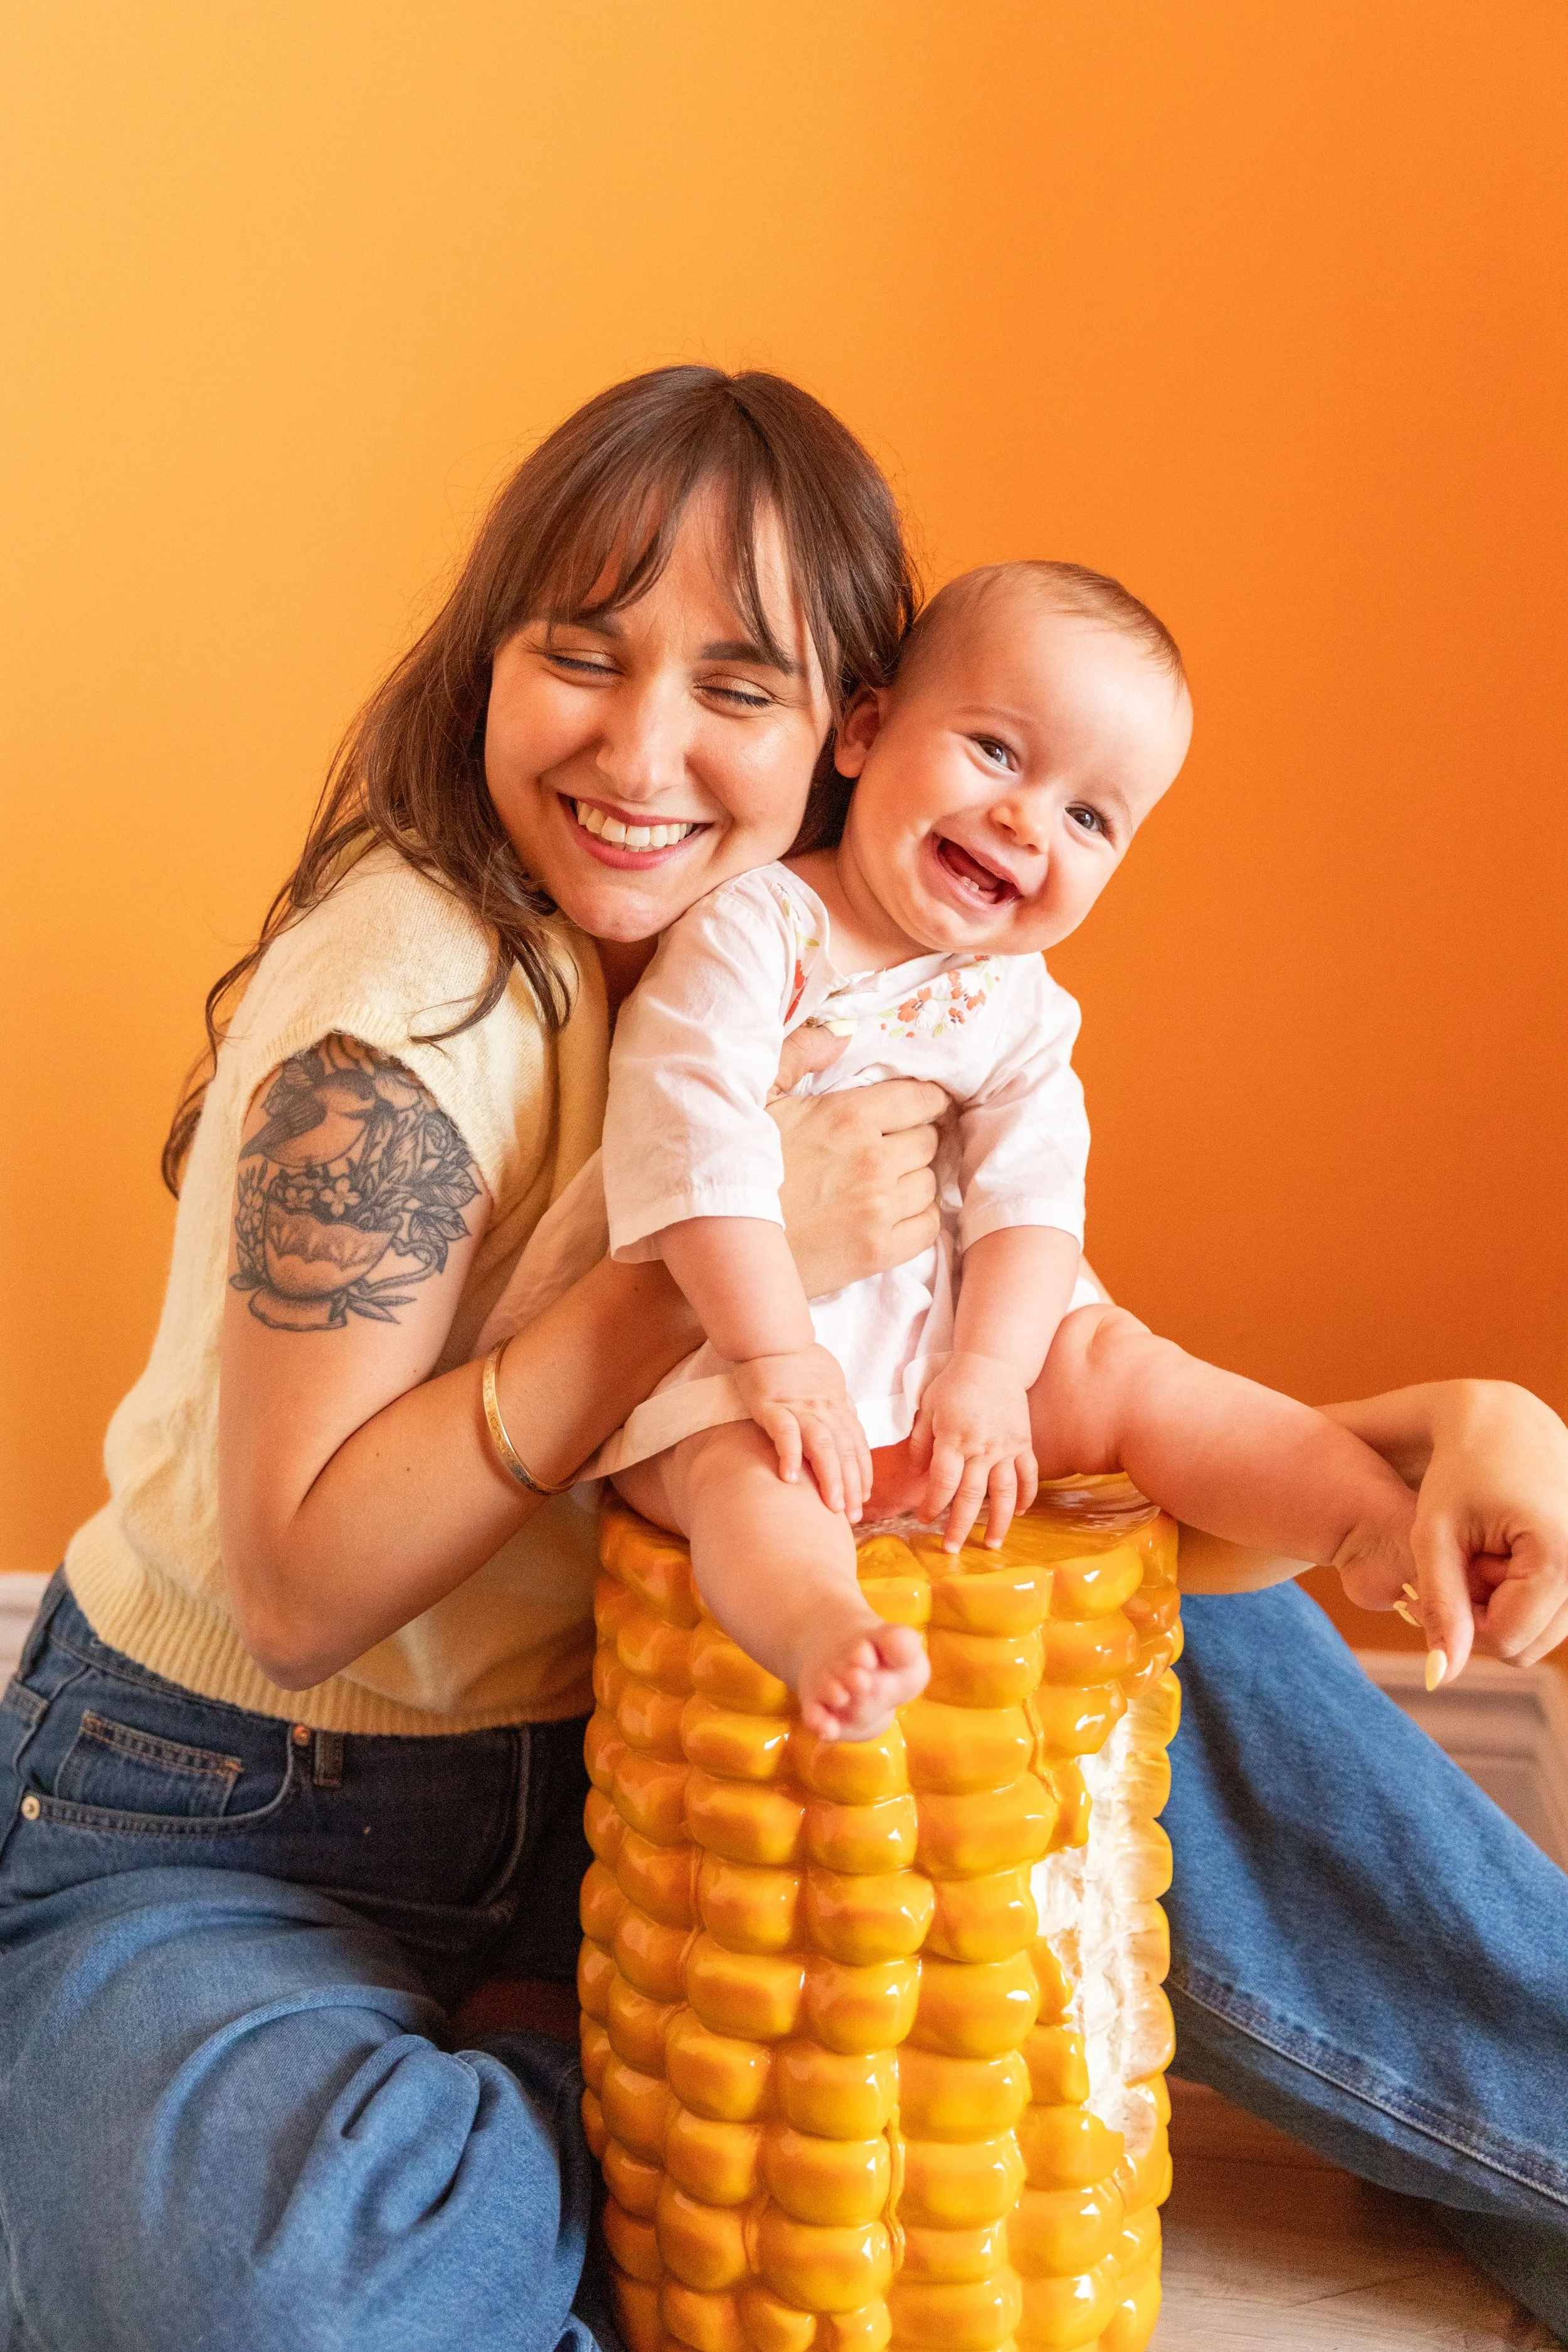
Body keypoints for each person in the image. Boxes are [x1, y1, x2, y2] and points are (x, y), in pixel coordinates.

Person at [0, 366, 1564, 2349]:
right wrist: (686, 1276)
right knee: (272, 2287)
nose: (638, 746)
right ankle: (561, 2096)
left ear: (846, 729)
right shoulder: (407, 992)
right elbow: (303, 1587)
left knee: (1060, 1586)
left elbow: (1050, 1428)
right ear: (489, 661)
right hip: (241, 1806)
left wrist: (1445, 1433)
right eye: (581, 653)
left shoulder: (839, 963)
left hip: (643, 1756)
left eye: (733, 688)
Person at [484, 559, 1421, 1744]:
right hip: (732, 1342)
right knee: (736, 1475)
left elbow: (1035, 1196)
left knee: (1125, 1365)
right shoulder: (758, 928)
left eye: (1090, 818)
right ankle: (824, 1626)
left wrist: (986, 1372)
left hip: (943, 1364)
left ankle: (1363, 1522)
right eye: (996, 753)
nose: (1028, 821)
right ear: (867, 731)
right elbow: (693, 1139)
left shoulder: (1017, 1000)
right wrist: (775, 1353)